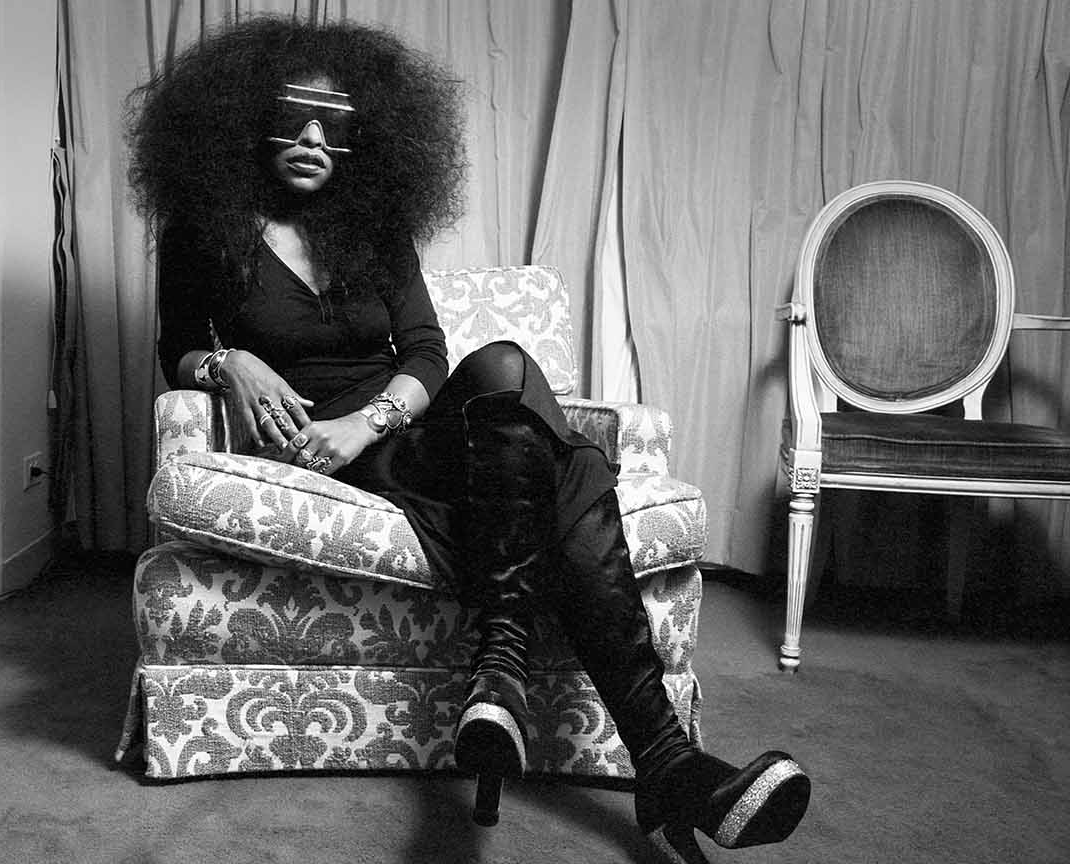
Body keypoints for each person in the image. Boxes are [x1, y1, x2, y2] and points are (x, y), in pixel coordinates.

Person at [126, 16, 810, 862]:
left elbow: (425, 353)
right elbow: (175, 349)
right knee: (572, 467)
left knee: (505, 366)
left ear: (361, 137)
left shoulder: (373, 229)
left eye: (332, 125)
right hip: (320, 451)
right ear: (244, 121)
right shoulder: (204, 229)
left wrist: (367, 421)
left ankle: (505, 673)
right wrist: (229, 363)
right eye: (292, 119)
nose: (311, 140)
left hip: (398, 432)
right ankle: (663, 761)